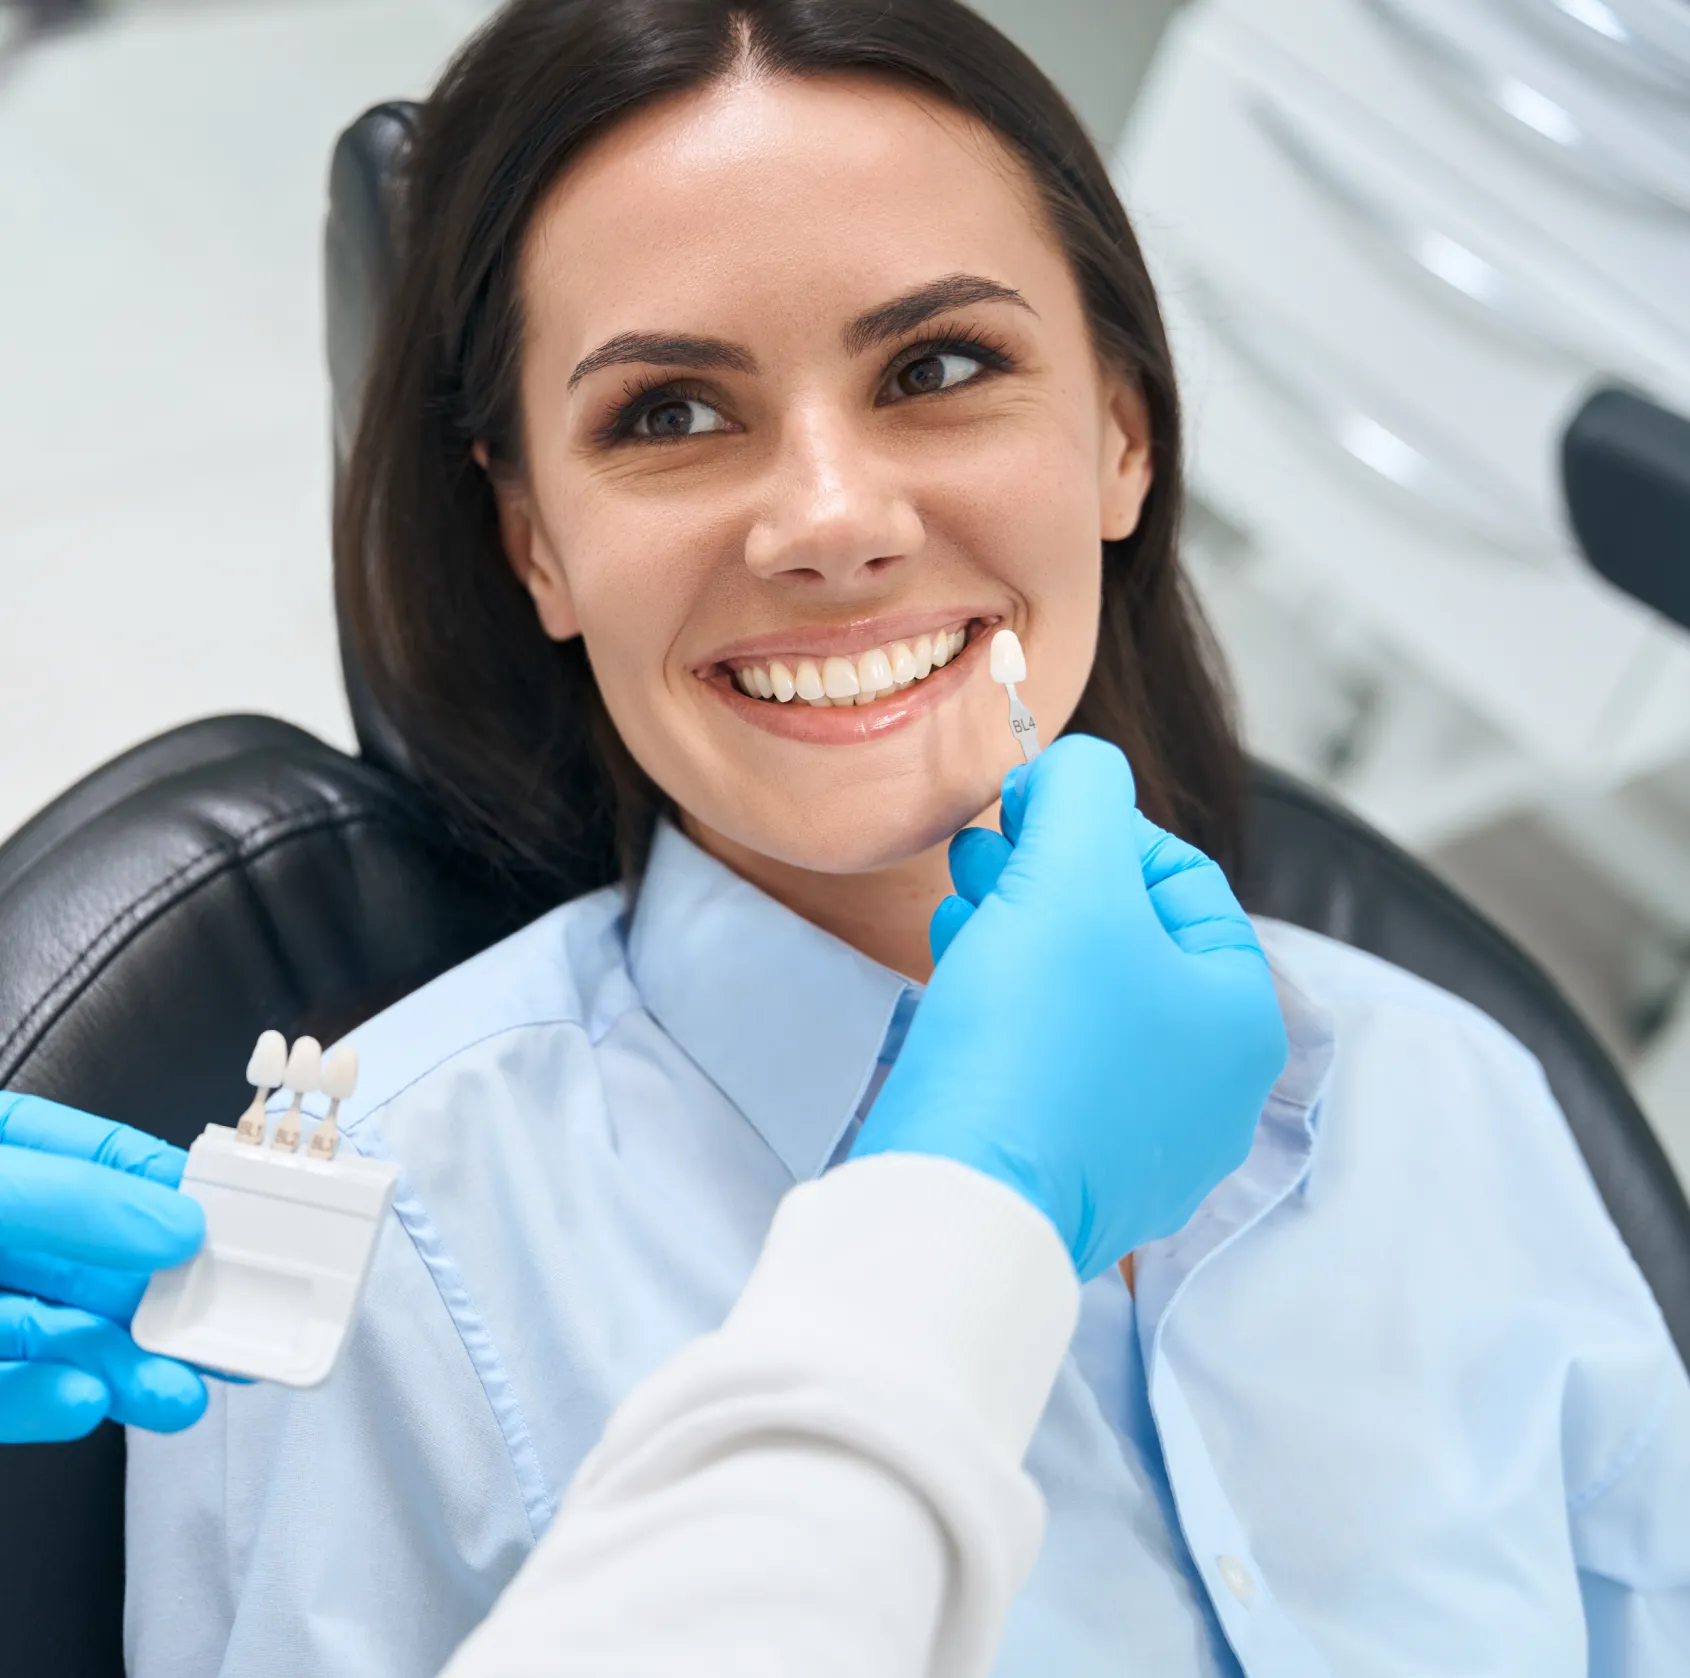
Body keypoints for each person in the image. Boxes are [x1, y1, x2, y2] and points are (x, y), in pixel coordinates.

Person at [125, 1, 1690, 1674]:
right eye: (665, 412)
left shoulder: (1443, 1089)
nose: (831, 521)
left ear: (1120, 433)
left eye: (937, 368)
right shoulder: (381, 1266)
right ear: (535, 544)